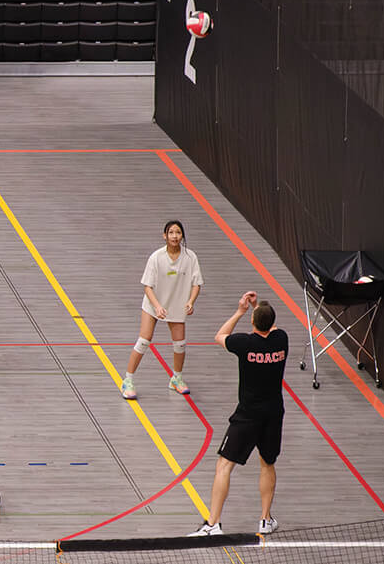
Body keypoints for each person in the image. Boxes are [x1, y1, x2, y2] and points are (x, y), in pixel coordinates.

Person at [192, 292, 287, 536]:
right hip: (273, 414)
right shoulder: (281, 340)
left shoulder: (245, 344)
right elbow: (271, 325)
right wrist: (258, 308)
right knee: (268, 463)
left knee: (224, 465)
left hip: (247, 416)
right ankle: (265, 520)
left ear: (253, 323)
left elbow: (220, 336)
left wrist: (240, 311)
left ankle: (213, 523)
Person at [121, 219, 203, 399]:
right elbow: (147, 286)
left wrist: (190, 301)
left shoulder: (190, 258)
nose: (175, 236)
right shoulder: (156, 258)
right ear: (164, 235)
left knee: (180, 344)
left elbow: (196, 284)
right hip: (154, 304)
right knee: (144, 340)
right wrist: (157, 307)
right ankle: (128, 380)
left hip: (177, 305)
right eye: (171, 232)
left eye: (178, 232)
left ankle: (177, 378)